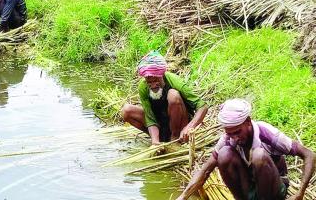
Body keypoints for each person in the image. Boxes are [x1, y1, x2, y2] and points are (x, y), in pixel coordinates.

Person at [177, 99, 316, 200]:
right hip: (249, 187)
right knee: (224, 154)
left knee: (259, 155)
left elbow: (309, 154)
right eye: (230, 133)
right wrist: (183, 197)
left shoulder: (266, 133)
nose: (234, 138)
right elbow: (205, 170)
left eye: (237, 132)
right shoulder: (228, 138)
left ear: (248, 121)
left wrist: (300, 193)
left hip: (274, 190)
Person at [121, 51, 208, 145]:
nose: (153, 85)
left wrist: (190, 127)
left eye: (155, 80)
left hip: (180, 123)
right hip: (161, 123)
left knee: (173, 95)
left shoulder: (174, 81)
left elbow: (202, 106)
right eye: (149, 82)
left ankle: (175, 138)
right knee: (126, 110)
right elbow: (149, 117)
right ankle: (160, 139)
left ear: (162, 75)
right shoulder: (143, 87)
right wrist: (155, 142)